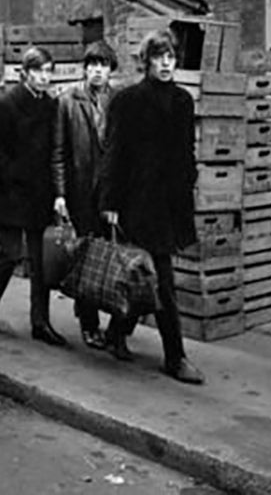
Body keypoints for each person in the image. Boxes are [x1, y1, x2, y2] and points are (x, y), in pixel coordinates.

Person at [98, 30, 204, 384]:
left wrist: (189, 182)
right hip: (138, 202)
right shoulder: (127, 101)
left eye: (170, 57)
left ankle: (116, 332)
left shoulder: (183, 101)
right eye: (158, 58)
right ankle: (176, 357)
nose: (166, 64)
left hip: (172, 203)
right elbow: (114, 154)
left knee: (142, 276)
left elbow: (187, 150)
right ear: (146, 62)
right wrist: (110, 202)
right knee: (163, 281)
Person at [0, 46, 66, 347]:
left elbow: (55, 150)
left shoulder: (50, 106)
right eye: (39, 71)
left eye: (48, 71)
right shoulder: (6, 104)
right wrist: (10, 175)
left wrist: (56, 192)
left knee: (40, 263)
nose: (44, 77)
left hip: (39, 194)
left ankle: (40, 322)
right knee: (9, 255)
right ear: (25, 73)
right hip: (12, 194)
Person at [51, 40, 118, 350]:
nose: (97, 71)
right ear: (84, 69)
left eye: (103, 66)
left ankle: (113, 325)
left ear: (110, 70)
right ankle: (89, 324)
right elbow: (59, 151)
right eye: (92, 66)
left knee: (111, 255)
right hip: (80, 192)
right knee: (87, 255)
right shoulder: (68, 100)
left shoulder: (117, 101)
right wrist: (61, 193)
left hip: (109, 193)